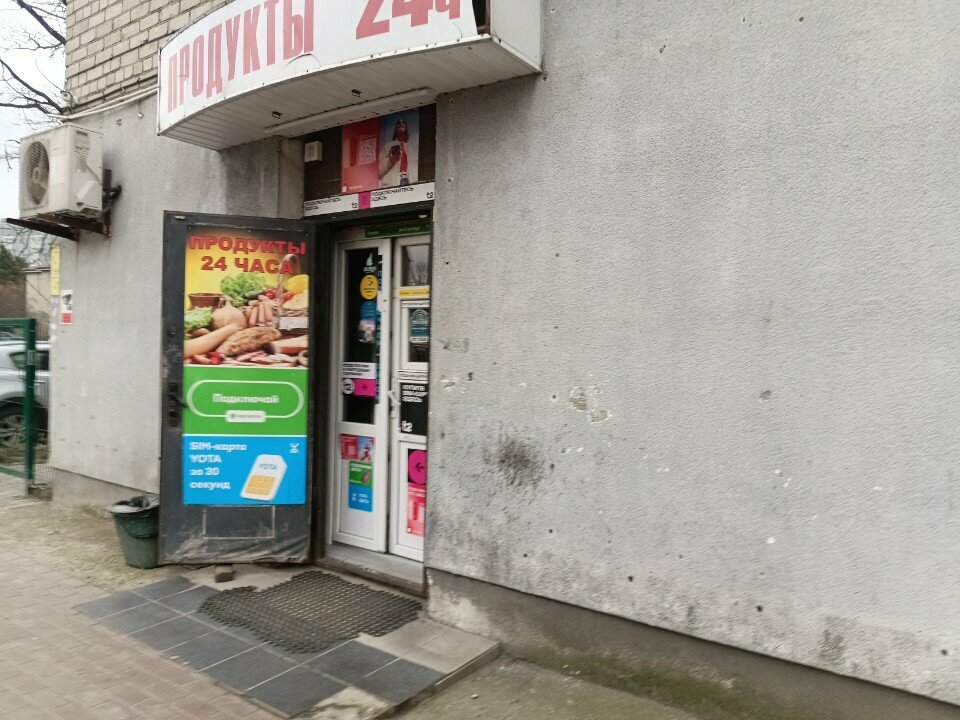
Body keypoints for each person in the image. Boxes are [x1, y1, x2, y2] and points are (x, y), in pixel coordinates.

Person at [379, 117, 414, 188]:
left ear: (405, 128)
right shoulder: (388, 145)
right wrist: (390, 161)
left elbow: (415, 166)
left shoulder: (410, 148)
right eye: (399, 125)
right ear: (396, 129)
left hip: (408, 181)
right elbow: (379, 169)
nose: (401, 125)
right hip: (391, 183)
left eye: (403, 125)